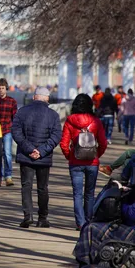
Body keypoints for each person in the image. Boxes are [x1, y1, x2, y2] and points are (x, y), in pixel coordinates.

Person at [11, 87, 62, 228]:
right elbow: (56, 136)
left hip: (25, 155)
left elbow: (16, 132)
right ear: (47, 99)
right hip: (43, 158)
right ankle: (42, 218)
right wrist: (41, 151)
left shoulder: (22, 112)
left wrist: (29, 149)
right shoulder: (53, 115)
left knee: (26, 186)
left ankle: (28, 216)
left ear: (34, 97)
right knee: (43, 188)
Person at [60, 94, 108, 230]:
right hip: (92, 163)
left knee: (77, 194)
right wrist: (97, 155)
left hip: (75, 162)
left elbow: (63, 143)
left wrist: (70, 156)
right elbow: (103, 143)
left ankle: (80, 223)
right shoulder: (96, 121)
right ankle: (89, 220)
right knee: (90, 193)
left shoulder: (70, 121)